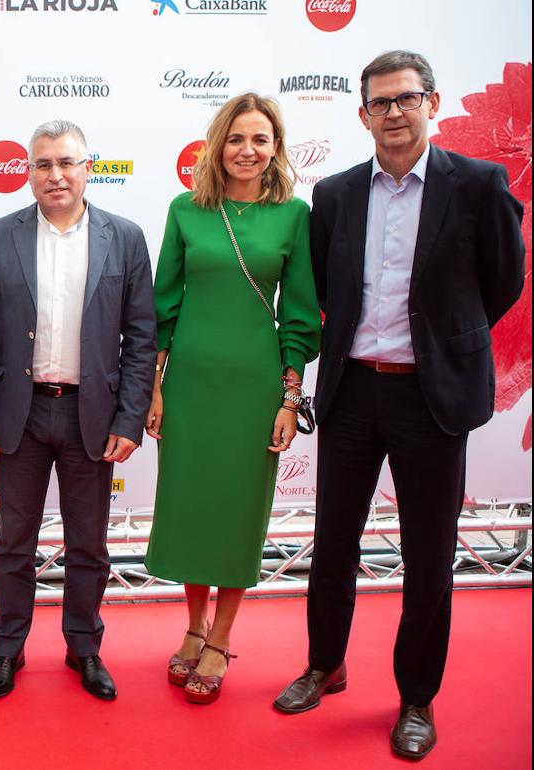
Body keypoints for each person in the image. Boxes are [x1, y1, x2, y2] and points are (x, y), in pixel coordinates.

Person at [273, 51, 524, 759]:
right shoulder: (338, 195)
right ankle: (326, 665)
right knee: (332, 545)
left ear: (432, 104)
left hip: (431, 397)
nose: (393, 113)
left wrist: (445, 340)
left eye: (406, 99)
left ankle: (417, 698)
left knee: (430, 557)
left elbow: (502, 281)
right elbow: (325, 288)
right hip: (354, 392)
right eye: (379, 103)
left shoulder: (478, 183)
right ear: (362, 115)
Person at [0, 120, 157, 701]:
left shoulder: (123, 237)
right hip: (19, 413)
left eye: (66, 162)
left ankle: (84, 647)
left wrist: (129, 419)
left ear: (87, 168)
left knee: (89, 546)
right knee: (13, 545)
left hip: (90, 417)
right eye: (42, 164)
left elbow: (140, 336)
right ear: (27, 173)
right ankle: (8, 649)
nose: (55, 175)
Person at [143, 93, 320, 705]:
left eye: (261, 140)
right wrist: (156, 386)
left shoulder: (294, 215)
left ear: (276, 150)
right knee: (193, 505)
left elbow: (298, 315)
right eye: (237, 138)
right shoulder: (186, 210)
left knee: (239, 511)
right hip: (189, 382)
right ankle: (193, 627)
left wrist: (289, 399)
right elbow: (162, 306)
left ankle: (220, 639)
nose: (248, 150)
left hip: (254, 384)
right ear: (218, 145)